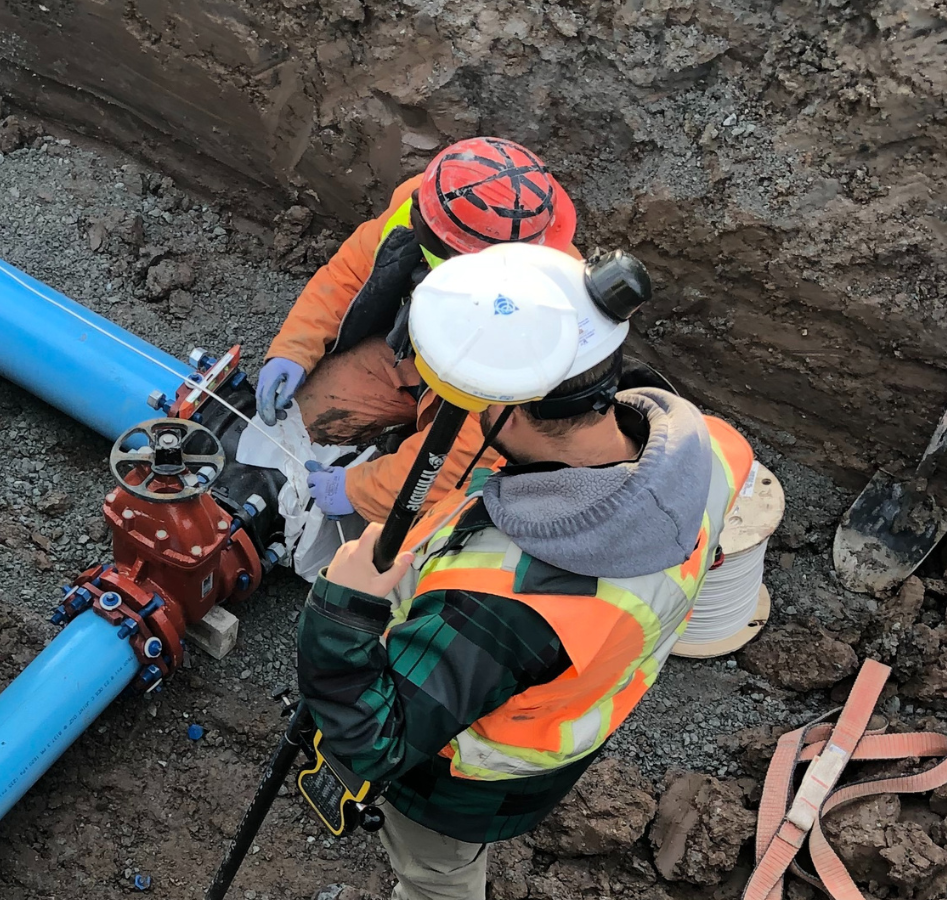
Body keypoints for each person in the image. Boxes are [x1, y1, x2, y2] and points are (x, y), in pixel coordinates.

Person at [293, 248, 755, 900]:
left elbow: (375, 745)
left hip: (462, 786)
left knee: (437, 878)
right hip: (569, 706)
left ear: (509, 408)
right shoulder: (707, 448)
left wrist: (341, 615)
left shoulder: (500, 601)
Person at [256, 136, 584, 524]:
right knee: (307, 415)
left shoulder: (547, 325)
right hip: (414, 361)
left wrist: (360, 491)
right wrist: (293, 349)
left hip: (478, 410)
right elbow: (348, 274)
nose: (414, 222)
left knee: (414, 518)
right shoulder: (438, 200)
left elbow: (470, 450)